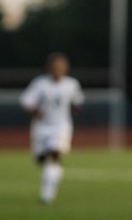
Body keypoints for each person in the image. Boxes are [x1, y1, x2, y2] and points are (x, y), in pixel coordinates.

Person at [20, 52, 84, 204]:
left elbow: (78, 102)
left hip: (61, 126)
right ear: (49, 68)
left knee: (54, 153)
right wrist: (35, 111)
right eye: (55, 67)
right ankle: (53, 172)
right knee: (41, 159)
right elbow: (26, 101)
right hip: (41, 127)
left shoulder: (72, 84)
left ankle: (47, 196)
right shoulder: (40, 84)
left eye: (61, 67)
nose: (58, 70)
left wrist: (76, 107)